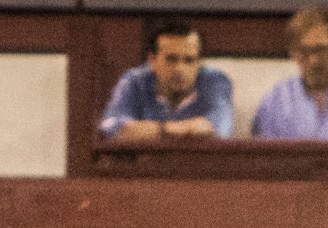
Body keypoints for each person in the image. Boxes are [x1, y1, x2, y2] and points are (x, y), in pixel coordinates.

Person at [98, 19, 234, 141]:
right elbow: (112, 128)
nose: (180, 69)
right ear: (152, 60)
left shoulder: (215, 81)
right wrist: (174, 129)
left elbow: (219, 129)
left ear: (199, 63)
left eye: (189, 60)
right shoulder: (134, 80)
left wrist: (149, 131)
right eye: (171, 59)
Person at [251, 5, 328, 140]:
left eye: (321, 50)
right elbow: (264, 156)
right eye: (304, 51)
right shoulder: (275, 101)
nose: (314, 60)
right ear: (292, 53)